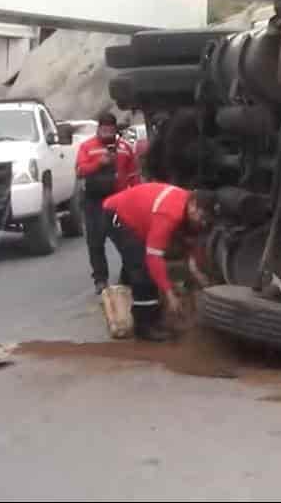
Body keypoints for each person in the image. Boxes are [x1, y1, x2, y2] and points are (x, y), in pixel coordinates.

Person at [101, 182, 217, 341]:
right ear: (193, 205)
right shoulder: (169, 214)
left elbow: (189, 243)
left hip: (138, 216)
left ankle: (130, 293)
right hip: (117, 214)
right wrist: (169, 294)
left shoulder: (188, 209)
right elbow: (153, 257)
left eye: (205, 219)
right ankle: (145, 326)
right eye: (201, 217)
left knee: (139, 261)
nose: (202, 222)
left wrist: (196, 272)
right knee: (143, 268)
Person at [75, 112, 139, 293]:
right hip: (94, 201)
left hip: (118, 200)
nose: (107, 134)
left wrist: (134, 198)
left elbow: (133, 176)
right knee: (95, 242)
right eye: (104, 130)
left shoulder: (125, 148)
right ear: (98, 129)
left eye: (111, 130)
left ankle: (127, 276)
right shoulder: (87, 147)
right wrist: (99, 163)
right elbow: (80, 170)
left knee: (126, 240)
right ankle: (100, 280)